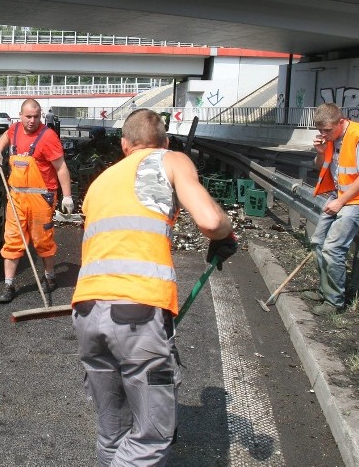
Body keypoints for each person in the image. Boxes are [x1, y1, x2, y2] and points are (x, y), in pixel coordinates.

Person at [71, 109, 237, 466]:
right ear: (164, 142)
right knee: (150, 438)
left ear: (124, 145)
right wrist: (225, 233)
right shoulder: (171, 159)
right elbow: (210, 220)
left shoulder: (100, 181)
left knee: (112, 431)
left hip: (86, 311)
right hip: (137, 313)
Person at [0, 98, 74, 303]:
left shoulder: (48, 137)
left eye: (36, 116)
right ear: (21, 116)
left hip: (41, 197)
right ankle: (9, 285)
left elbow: (61, 167)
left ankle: (50, 278)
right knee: (12, 240)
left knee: (42, 240)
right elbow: (5, 136)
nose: (32, 120)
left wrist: (68, 196)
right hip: (16, 196)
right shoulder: (15, 130)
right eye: (28, 116)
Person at [304, 103, 359, 316]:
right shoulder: (330, 138)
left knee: (333, 248)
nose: (323, 134)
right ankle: (324, 290)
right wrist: (320, 152)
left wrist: (340, 202)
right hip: (340, 195)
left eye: (327, 130)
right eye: (320, 130)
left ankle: (334, 302)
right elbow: (322, 165)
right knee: (318, 242)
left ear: (341, 121)